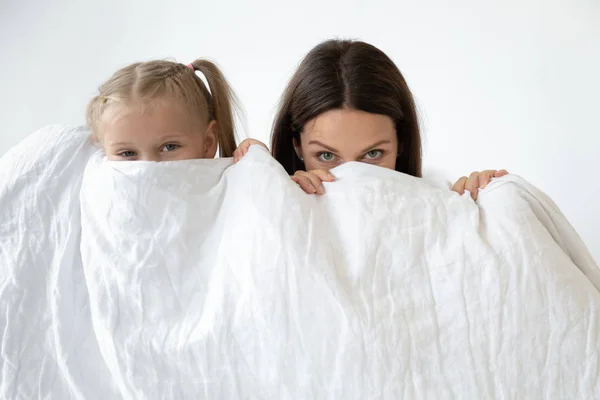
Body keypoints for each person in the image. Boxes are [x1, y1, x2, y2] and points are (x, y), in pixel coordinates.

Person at [261, 39, 507, 200]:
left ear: (401, 143)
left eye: (373, 154)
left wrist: (465, 205)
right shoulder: (274, 209)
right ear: (297, 146)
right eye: (326, 156)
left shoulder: (435, 208)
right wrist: (285, 198)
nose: (353, 177)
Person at [87, 58, 258, 162]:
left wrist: (260, 165)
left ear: (208, 142)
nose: (149, 165)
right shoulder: (94, 195)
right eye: (128, 153)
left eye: (169, 147)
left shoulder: (235, 191)